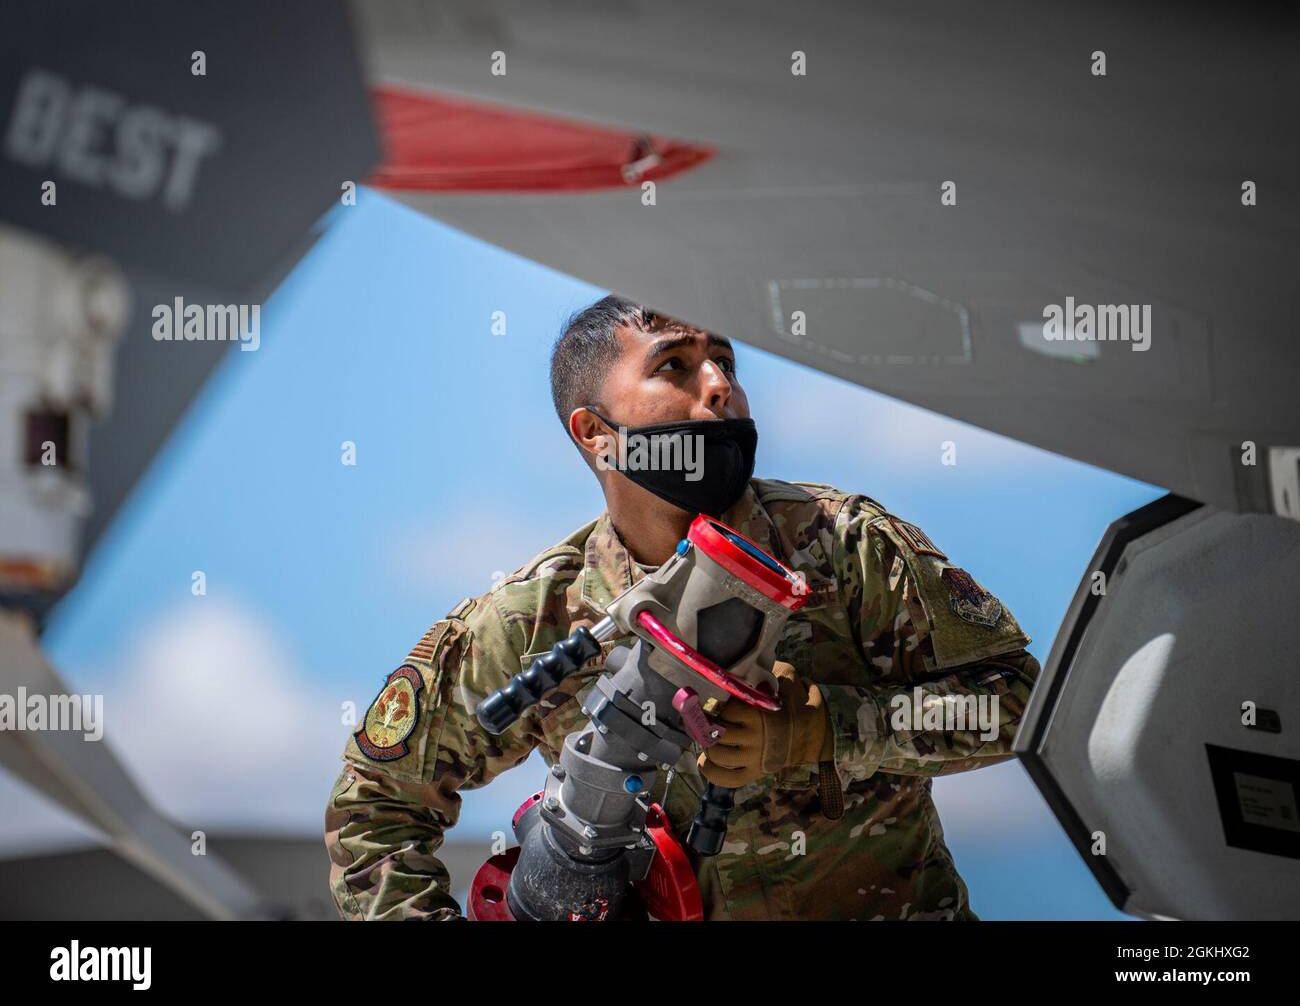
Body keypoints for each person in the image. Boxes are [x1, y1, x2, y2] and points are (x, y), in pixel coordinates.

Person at [325, 295, 1041, 920]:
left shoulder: (845, 547)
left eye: (726, 362)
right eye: (675, 366)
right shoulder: (534, 619)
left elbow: (1021, 705)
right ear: (594, 433)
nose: (720, 386)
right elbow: (376, 802)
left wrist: (834, 729)